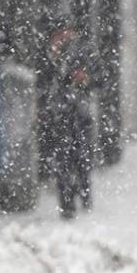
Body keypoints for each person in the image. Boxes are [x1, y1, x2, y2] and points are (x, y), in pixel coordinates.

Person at [48, 19, 94, 219]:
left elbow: (94, 77)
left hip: (77, 113)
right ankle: (67, 203)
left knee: (80, 156)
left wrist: (83, 79)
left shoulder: (81, 52)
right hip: (59, 115)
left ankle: (82, 193)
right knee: (63, 160)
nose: (64, 37)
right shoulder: (49, 57)